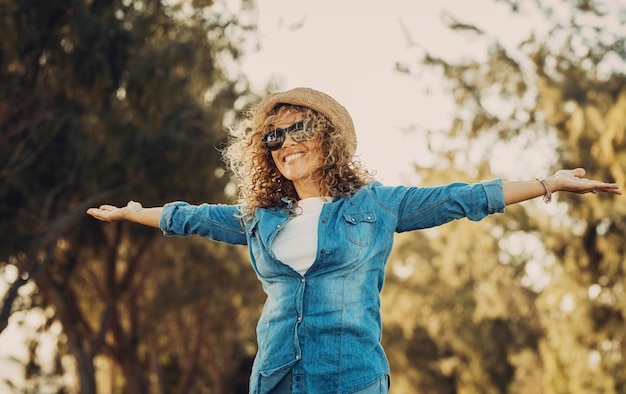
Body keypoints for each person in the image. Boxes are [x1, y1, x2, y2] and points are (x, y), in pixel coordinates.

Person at [87, 87, 621, 394]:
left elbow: (466, 197)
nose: (284, 143)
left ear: (327, 138)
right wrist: (140, 215)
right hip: (274, 378)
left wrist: (549, 183)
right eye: (273, 137)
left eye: (298, 129)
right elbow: (194, 217)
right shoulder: (260, 218)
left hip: (352, 379)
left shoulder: (377, 206)